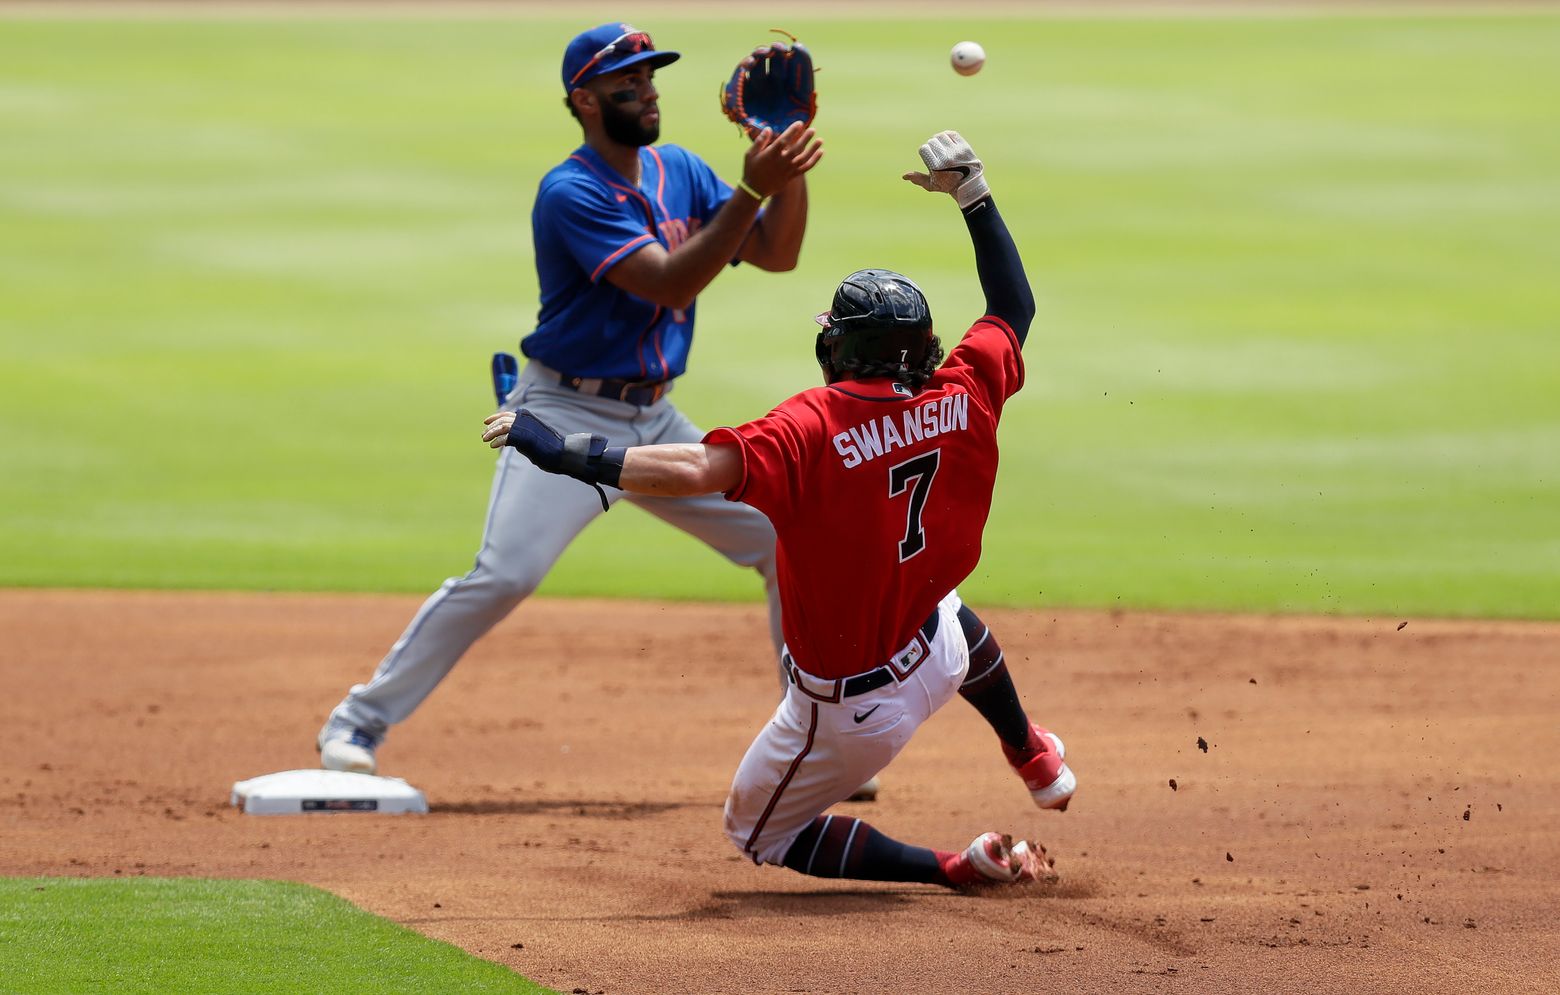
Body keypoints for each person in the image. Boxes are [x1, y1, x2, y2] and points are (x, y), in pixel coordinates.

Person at [481, 130, 1077, 889]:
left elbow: (694, 467)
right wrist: (973, 192)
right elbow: (1012, 305)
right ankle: (1032, 750)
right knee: (945, 602)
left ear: (842, 350)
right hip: (938, 645)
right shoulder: (965, 389)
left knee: (758, 831)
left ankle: (955, 867)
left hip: (853, 712)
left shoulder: (812, 426)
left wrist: (564, 449)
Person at [316, 22, 824, 777]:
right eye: (629, 85)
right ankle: (356, 721)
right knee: (505, 575)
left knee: (782, 540)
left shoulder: (679, 170)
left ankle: (808, 735)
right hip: (565, 413)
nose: (648, 93)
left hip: (655, 417)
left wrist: (783, 159)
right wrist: (751, 185)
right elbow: (668, 280)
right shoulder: (572, 191)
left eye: (652, 79)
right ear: (585, 101)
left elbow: (778, 254)